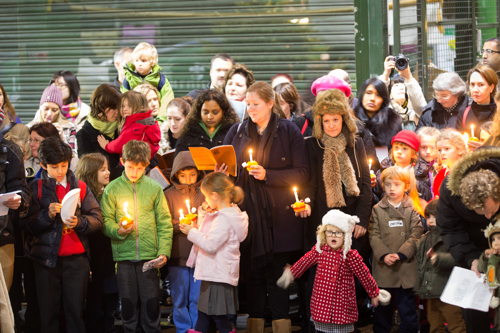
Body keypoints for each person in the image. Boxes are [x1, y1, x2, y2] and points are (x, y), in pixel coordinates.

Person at [223, 81, 308, 332]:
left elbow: (302, 173)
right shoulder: (237, 132)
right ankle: (255, 325)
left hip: (279, 219)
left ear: (271, 103)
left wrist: (267, 174)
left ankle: (282, 325)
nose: (250, 109)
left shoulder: (288, 131)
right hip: (248, 218)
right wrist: (223, 173)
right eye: (247, 104)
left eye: (256, 104)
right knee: (254, 279)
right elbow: (228, 172)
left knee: (277, 279)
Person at [26, 137, 102, 333]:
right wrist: (47, 215)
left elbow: (97, 218)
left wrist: (81, 222)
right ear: (43, 165)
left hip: (76, 260)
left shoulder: (80, 186)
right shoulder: (36, 189)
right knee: (48, 313)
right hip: (46, 260)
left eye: (64, 165)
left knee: (75, 311)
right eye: (54, 167)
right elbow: (27, 224)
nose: (60, 171)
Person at [101, 140, 173, 333]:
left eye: (140, 168)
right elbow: (106, 221)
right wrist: (118, 230)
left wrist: (163, 252)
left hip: (149, 257)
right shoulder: (112, 189)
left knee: (151, 304)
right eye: (131, 167)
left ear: (147, 165)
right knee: (128, 303)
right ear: (122, 161)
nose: (135, 172)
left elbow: (164, 223)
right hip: (124, 257)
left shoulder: (154, 188)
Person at [277, 210, 384, 333]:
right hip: (322, 303)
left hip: (342, 304)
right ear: (323, 234)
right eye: (330, 232)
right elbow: (304, 262)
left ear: (346, 236)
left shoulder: (349, 256)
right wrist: (291, 273)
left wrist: (374, 293)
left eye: (338, 233)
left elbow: (364, 275)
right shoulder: (319, 251)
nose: (333, 235)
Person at [437, 147, 500, 332]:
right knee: (473, 310)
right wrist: (471, 258)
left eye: (491, 210)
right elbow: (449, 228)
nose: (488, 216)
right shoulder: (450, 191)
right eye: (480, 212)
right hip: (471, 248)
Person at [180, 172, 248, 333]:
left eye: (206, 197)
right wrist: (203, 217)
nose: (206, 201)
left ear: (215, 195)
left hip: (218, 274)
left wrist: (191, 232)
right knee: (204, 315)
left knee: (218, 317)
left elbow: (210, 244)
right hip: (214, 273)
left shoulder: (225, 218)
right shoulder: (227, 214)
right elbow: (209, 235)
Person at [369, 166, 424, 333]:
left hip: (405, 269)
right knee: (382, 313)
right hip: (384, 268)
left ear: (406, 186)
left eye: (397, 184)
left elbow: (417, 233)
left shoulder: (412, 208)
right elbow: (373, 234)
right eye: (388, 184)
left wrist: (401, 253)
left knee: (407, 312)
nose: (392, 188)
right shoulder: (377, 209)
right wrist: (384, 254)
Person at [163, 151, 205, 333]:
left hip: (200, 255)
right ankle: (182, 329)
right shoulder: (168, 195)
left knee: (197, 297)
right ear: (175, 175)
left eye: (192, 174)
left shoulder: (204, 193)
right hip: (178, 254)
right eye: (183, 175)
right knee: (179, 296)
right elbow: (163, 223)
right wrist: (179, 225)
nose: (188, 179)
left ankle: (196, 328)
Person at [75, 153, 117, 333]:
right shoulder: (83, 198)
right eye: (102, 170)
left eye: (107, 168)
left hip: (107, 258)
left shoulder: (109, 194)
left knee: (108, 302)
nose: (108, 173)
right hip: (92, 258)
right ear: (91, 173)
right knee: (94, 304)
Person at [414, 199, 467, 333]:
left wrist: (439, 259)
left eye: (435, 216)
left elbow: (459, 259)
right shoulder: (426, 237)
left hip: (448, 289)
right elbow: (421, 262)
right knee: (435, 325)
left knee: (456, 324)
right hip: (431, 290)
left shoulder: (451, 236)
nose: (430, 220)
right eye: (428, 217)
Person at [76, 84, 122, 180]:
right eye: (113, 108)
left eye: (119, 107)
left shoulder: (122, 126)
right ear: (100, 107)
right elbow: (89, 171)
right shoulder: (84, 135)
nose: (117, 111)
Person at [97, 90, 161, 160]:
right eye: (122, 106)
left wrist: (107, 146)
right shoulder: (147, 121)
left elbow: (119, 144)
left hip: (135, 163)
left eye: (129, 106)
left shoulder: (135, 128)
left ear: (141, 107)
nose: (125, 109)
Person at [374, 130, 432, 204]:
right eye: (396, 148)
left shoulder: (421, 173)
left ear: (413, 153)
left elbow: (427, 197)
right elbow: (376, 197)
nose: (399, 152)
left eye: (404, 148)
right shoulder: (383, 172)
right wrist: (372, 186)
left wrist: (414, 183)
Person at [175, 89, 239, 154]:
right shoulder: (189, 131)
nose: (210, 117)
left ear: (223, 112)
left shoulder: (232, 130)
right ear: (199, 112)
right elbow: (180, 159)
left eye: (215, 112)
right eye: (205, 112)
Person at [121, 42, 175, 117]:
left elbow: (167, 101)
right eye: (136, 61)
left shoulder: (160, 79)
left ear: (152, 62)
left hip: (156, 121)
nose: (139, 64)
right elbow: (124, 103)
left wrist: (160, 122)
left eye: (143, 61)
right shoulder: (128, 80)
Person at [354, 78, 402, 161]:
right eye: (369, 93)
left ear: (383, 99)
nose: (372, 98)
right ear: (362, 95)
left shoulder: (393, 121)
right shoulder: (351, 119)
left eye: (378, 95)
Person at [379, 56, 427, 130]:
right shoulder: (385, 112)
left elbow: (423, 109)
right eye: (396, 86)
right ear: (390, 94)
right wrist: (385, 75)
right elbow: (378, 98)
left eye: (403, 87)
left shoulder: (414, 111)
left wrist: (409, 77)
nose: (401, 88)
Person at [28, 84, 78, 151]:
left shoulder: (69, 128)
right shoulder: (29, 129)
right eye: (46, 109)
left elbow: (74, 157)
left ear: (59, 111)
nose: (49, 114)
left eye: (54, 110)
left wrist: (62, 139)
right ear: (40, 108)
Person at [456, 65, 498, 133]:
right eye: (472, 84)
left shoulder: (498, 113)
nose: (475, 90)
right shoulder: (464, 113)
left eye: (481, 85)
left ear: (491, 87)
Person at [478, 219, 500, 332]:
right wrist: (486, 256)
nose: (495, 243)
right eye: (493, 240)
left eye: (499, 239)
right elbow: (482, 268)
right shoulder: (492, 258)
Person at [432, 129, 468, 197]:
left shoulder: (467, 171)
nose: (442, 153)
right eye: (439, 150)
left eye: (447, 149)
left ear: (460, 150)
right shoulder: (441, 174)